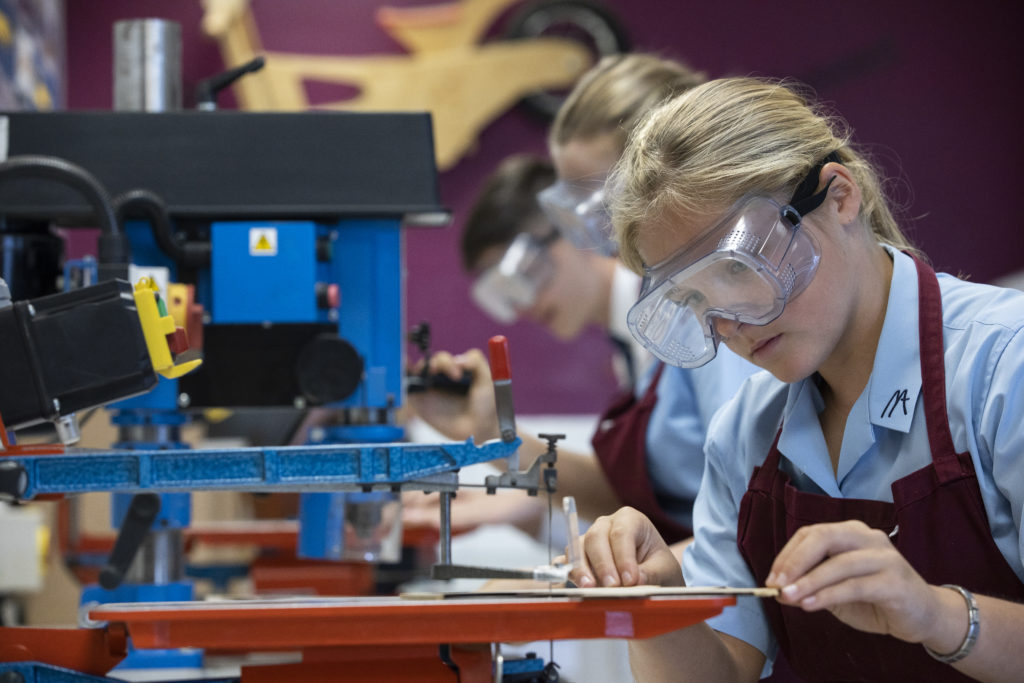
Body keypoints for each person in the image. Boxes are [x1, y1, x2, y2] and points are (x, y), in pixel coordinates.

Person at [569, 76, 1024, 682]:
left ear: (838, 196)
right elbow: (723, 673)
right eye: (696, 301)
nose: (729, 324)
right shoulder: (750, 433)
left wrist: (936, 615)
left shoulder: (1003, 368)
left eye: (736, 268)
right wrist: (656, 602)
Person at [407, 53, 760, 553]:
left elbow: (749, 522)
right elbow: (638, 500)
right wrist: (493, 437)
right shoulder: (645, 328)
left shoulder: (708, 315)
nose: (604, 231)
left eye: (606, 204)